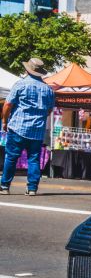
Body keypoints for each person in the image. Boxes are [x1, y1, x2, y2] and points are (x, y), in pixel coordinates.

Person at [0, 57, 56, 195]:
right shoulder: (48, 90)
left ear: (27, 69)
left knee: (11, 157)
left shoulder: (20, 84)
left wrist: (5, 121)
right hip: (37, 129)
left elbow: (8, 105)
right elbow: (49, 110)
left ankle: (5, 186)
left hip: (17, 127)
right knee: (34, 158)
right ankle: (32, 188)